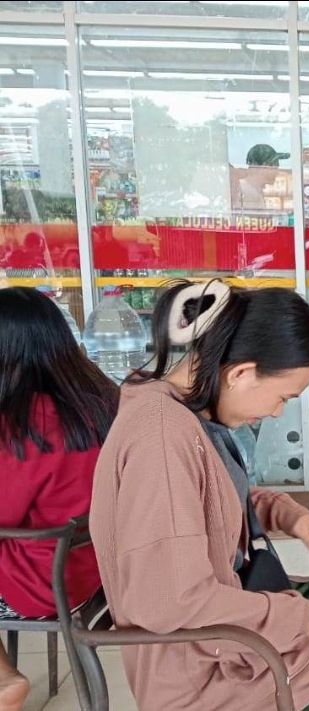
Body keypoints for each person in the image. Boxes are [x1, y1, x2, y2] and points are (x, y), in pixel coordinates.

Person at [89, 279, 309, 711]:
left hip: (238, 605)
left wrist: (285, 513)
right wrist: (291, 616)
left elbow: (209, 497)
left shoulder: (188, 412)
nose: (277, 412)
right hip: (204, 663)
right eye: (282, 397)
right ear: (241, 373)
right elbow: (170, 602)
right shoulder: (161, 437)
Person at [0, 287, 117, 711]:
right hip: (98, 570)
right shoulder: (101, 399)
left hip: (39, 585)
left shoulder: (20, 424)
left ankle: (3, 678)